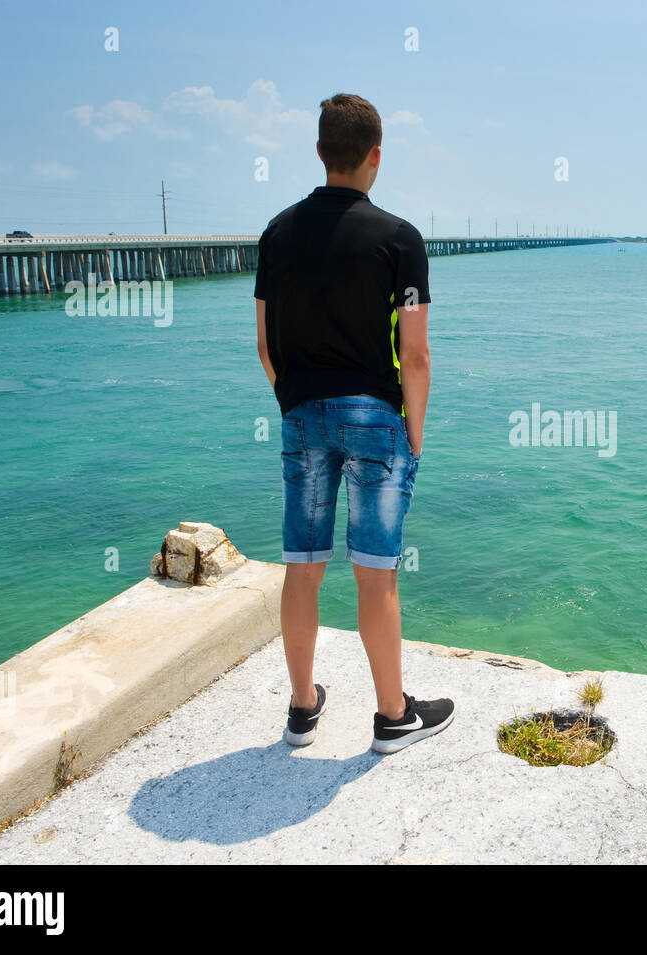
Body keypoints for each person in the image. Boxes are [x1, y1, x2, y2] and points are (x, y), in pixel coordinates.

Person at [254, 92, 454, 754]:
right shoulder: (401, 240)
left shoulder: (277, 234)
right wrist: (414, 431)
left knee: (303, 565)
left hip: (302, 415)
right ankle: (392, 716)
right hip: (376, 417)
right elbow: (418, 354)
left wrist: (298, 403)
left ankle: (303, 709)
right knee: (376, 571)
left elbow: (264, 345)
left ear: (319, 153)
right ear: (375, 157)